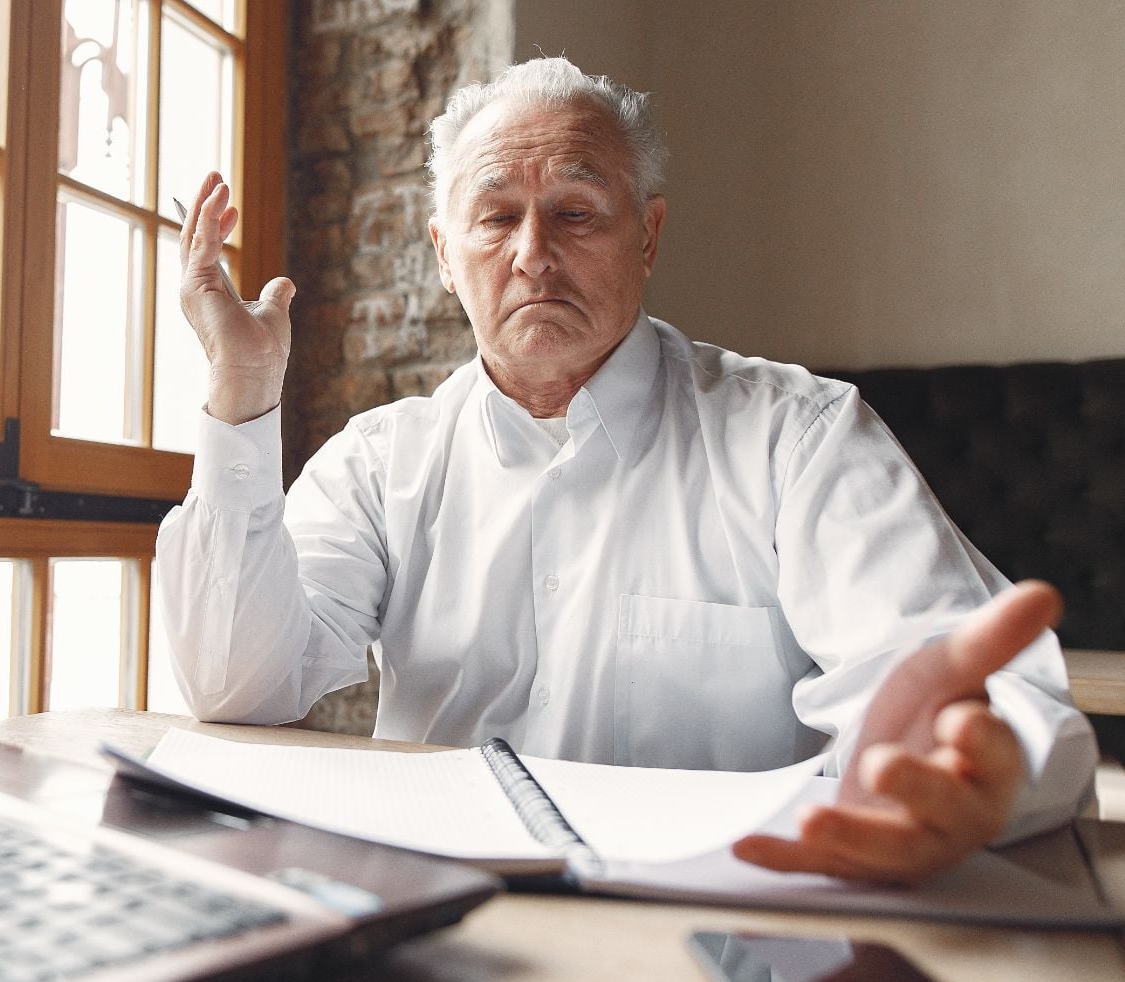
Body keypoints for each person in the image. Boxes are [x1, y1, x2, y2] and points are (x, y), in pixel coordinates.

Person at [155, 57, 1096, 885]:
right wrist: (241, 396)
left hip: (723, 934)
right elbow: (242, 686)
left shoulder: (796, 435)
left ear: (646, 236)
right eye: (494, 219)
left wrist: (971, 771)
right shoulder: (381, 459)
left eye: (575, 211)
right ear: (446, 257)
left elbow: (972, 690)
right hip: (446, 932)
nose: (533, 254)